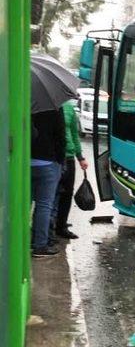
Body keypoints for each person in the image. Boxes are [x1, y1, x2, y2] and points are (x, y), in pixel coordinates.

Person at [31, 108, 66, 256]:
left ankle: (19, 241)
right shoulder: (55, 107)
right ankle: (40, 245)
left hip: (24, 161)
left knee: (22, 204)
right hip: (48, 162)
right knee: (44, 205)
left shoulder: (24, 104)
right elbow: (61, 138)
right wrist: (60, 162)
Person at [53, 99, 89, 239]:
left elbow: (74, 134)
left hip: (68, 157)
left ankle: (61, 225)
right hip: (54, 157)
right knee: (51, 194)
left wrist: (80, 157)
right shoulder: (48, 108)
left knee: (67, 193)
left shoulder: (68, 108)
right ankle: (50, 226)